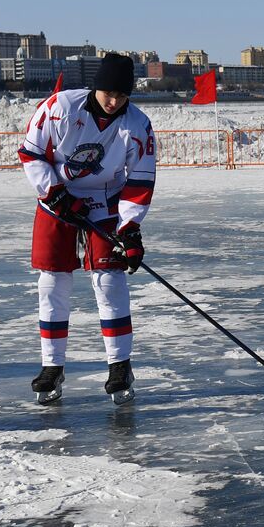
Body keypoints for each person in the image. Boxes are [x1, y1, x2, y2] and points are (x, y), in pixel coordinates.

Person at [19, 52, 156, 405]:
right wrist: (55, 193)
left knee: (109, 279)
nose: (114, 102)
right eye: (109, 93)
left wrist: (130, 229)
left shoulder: (136, 125)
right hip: (57, 199)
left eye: (122, 96)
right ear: (96, 87)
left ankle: (120, 365)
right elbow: (32, 154)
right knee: (52, 280)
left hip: (107, 200)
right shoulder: (59, 108)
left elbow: (139, 179)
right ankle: (52, 366)